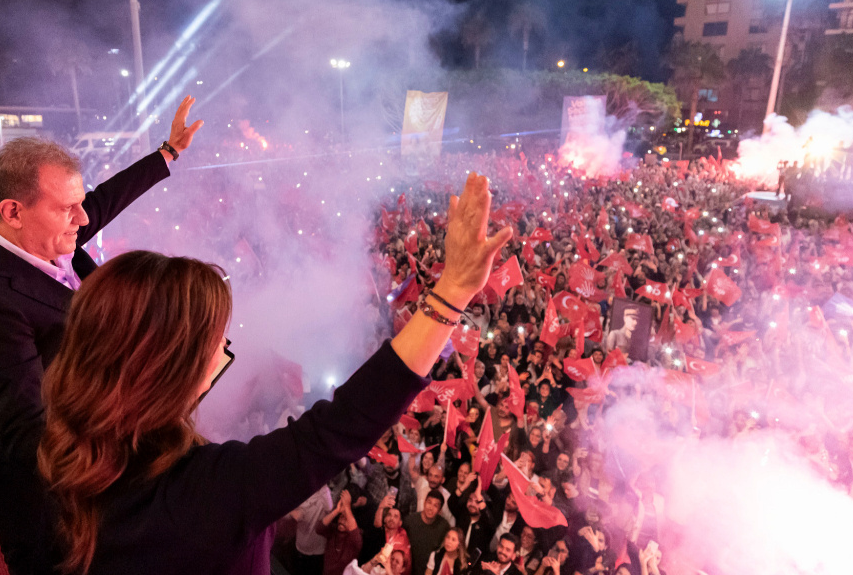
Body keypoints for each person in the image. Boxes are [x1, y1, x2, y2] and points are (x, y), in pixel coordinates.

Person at [36, 172, 513, 573]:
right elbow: (341, 425)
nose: (225, 350)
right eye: (213, 341)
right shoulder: (210, 492)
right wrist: (452, 291)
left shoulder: (67, 448)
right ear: (168, 367)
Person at [0, 96, 204, 575]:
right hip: (53, 508)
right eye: (68, 210)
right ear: (13, 211)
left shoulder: (44, 233)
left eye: (80, 206)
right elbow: (31, 432)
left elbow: (100, 202)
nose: (83, 221)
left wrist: (168, 152)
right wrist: (136, 445)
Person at [404, 492, 452, 575]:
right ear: (424, 503)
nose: (431, 508)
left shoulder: (444, 526)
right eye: (429, 502)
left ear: (439, 510)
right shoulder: (410, 521)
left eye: (435, 505)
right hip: (407, 571)